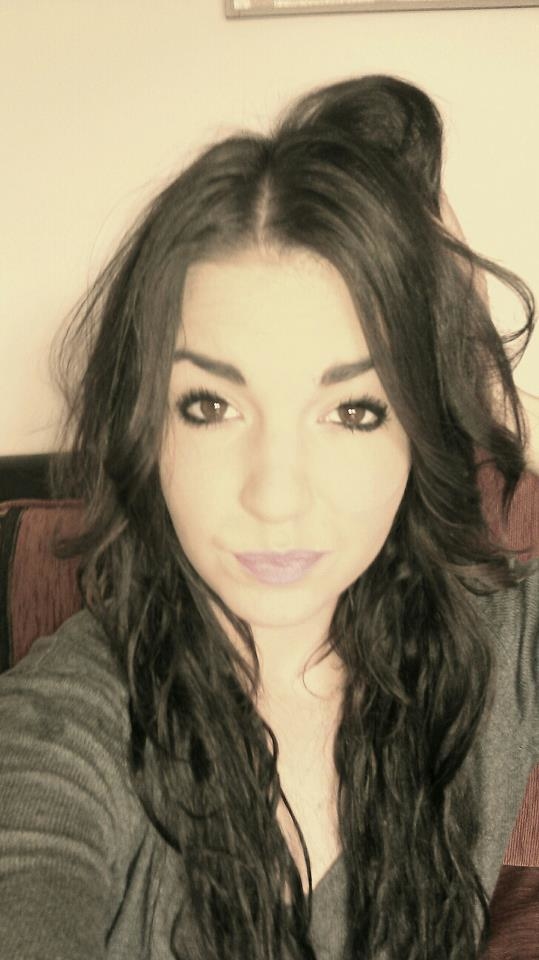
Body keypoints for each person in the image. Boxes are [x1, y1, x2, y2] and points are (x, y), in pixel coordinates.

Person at [0, 74, 537, 960]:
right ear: (144, 424)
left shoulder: (491, 644)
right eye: (210, 406)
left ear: (420, 428)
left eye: (354, 409)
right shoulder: (70, 719)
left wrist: (446, 328)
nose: (275, 497)